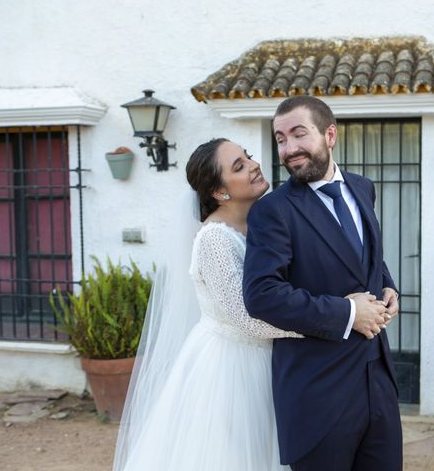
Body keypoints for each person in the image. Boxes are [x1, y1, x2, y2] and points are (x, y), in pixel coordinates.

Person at [112, 138, 299, 471]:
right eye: (238, 166)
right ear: (220, 192)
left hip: (271, 361)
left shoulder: (262, 224)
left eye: (248, 157)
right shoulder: (214, 238)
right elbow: (245, 319)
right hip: (230, 369)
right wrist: (320, 324)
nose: (254, 165)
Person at [243, 96, 403, 471]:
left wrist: (387, 286)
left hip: (377, 378)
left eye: (299, 134)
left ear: (330, 134)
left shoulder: (363, 188)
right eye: (281, 139)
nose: (289, 148)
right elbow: (261, 294)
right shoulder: (272, 210)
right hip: (318, 392)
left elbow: (366, 256)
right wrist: (347, 313)